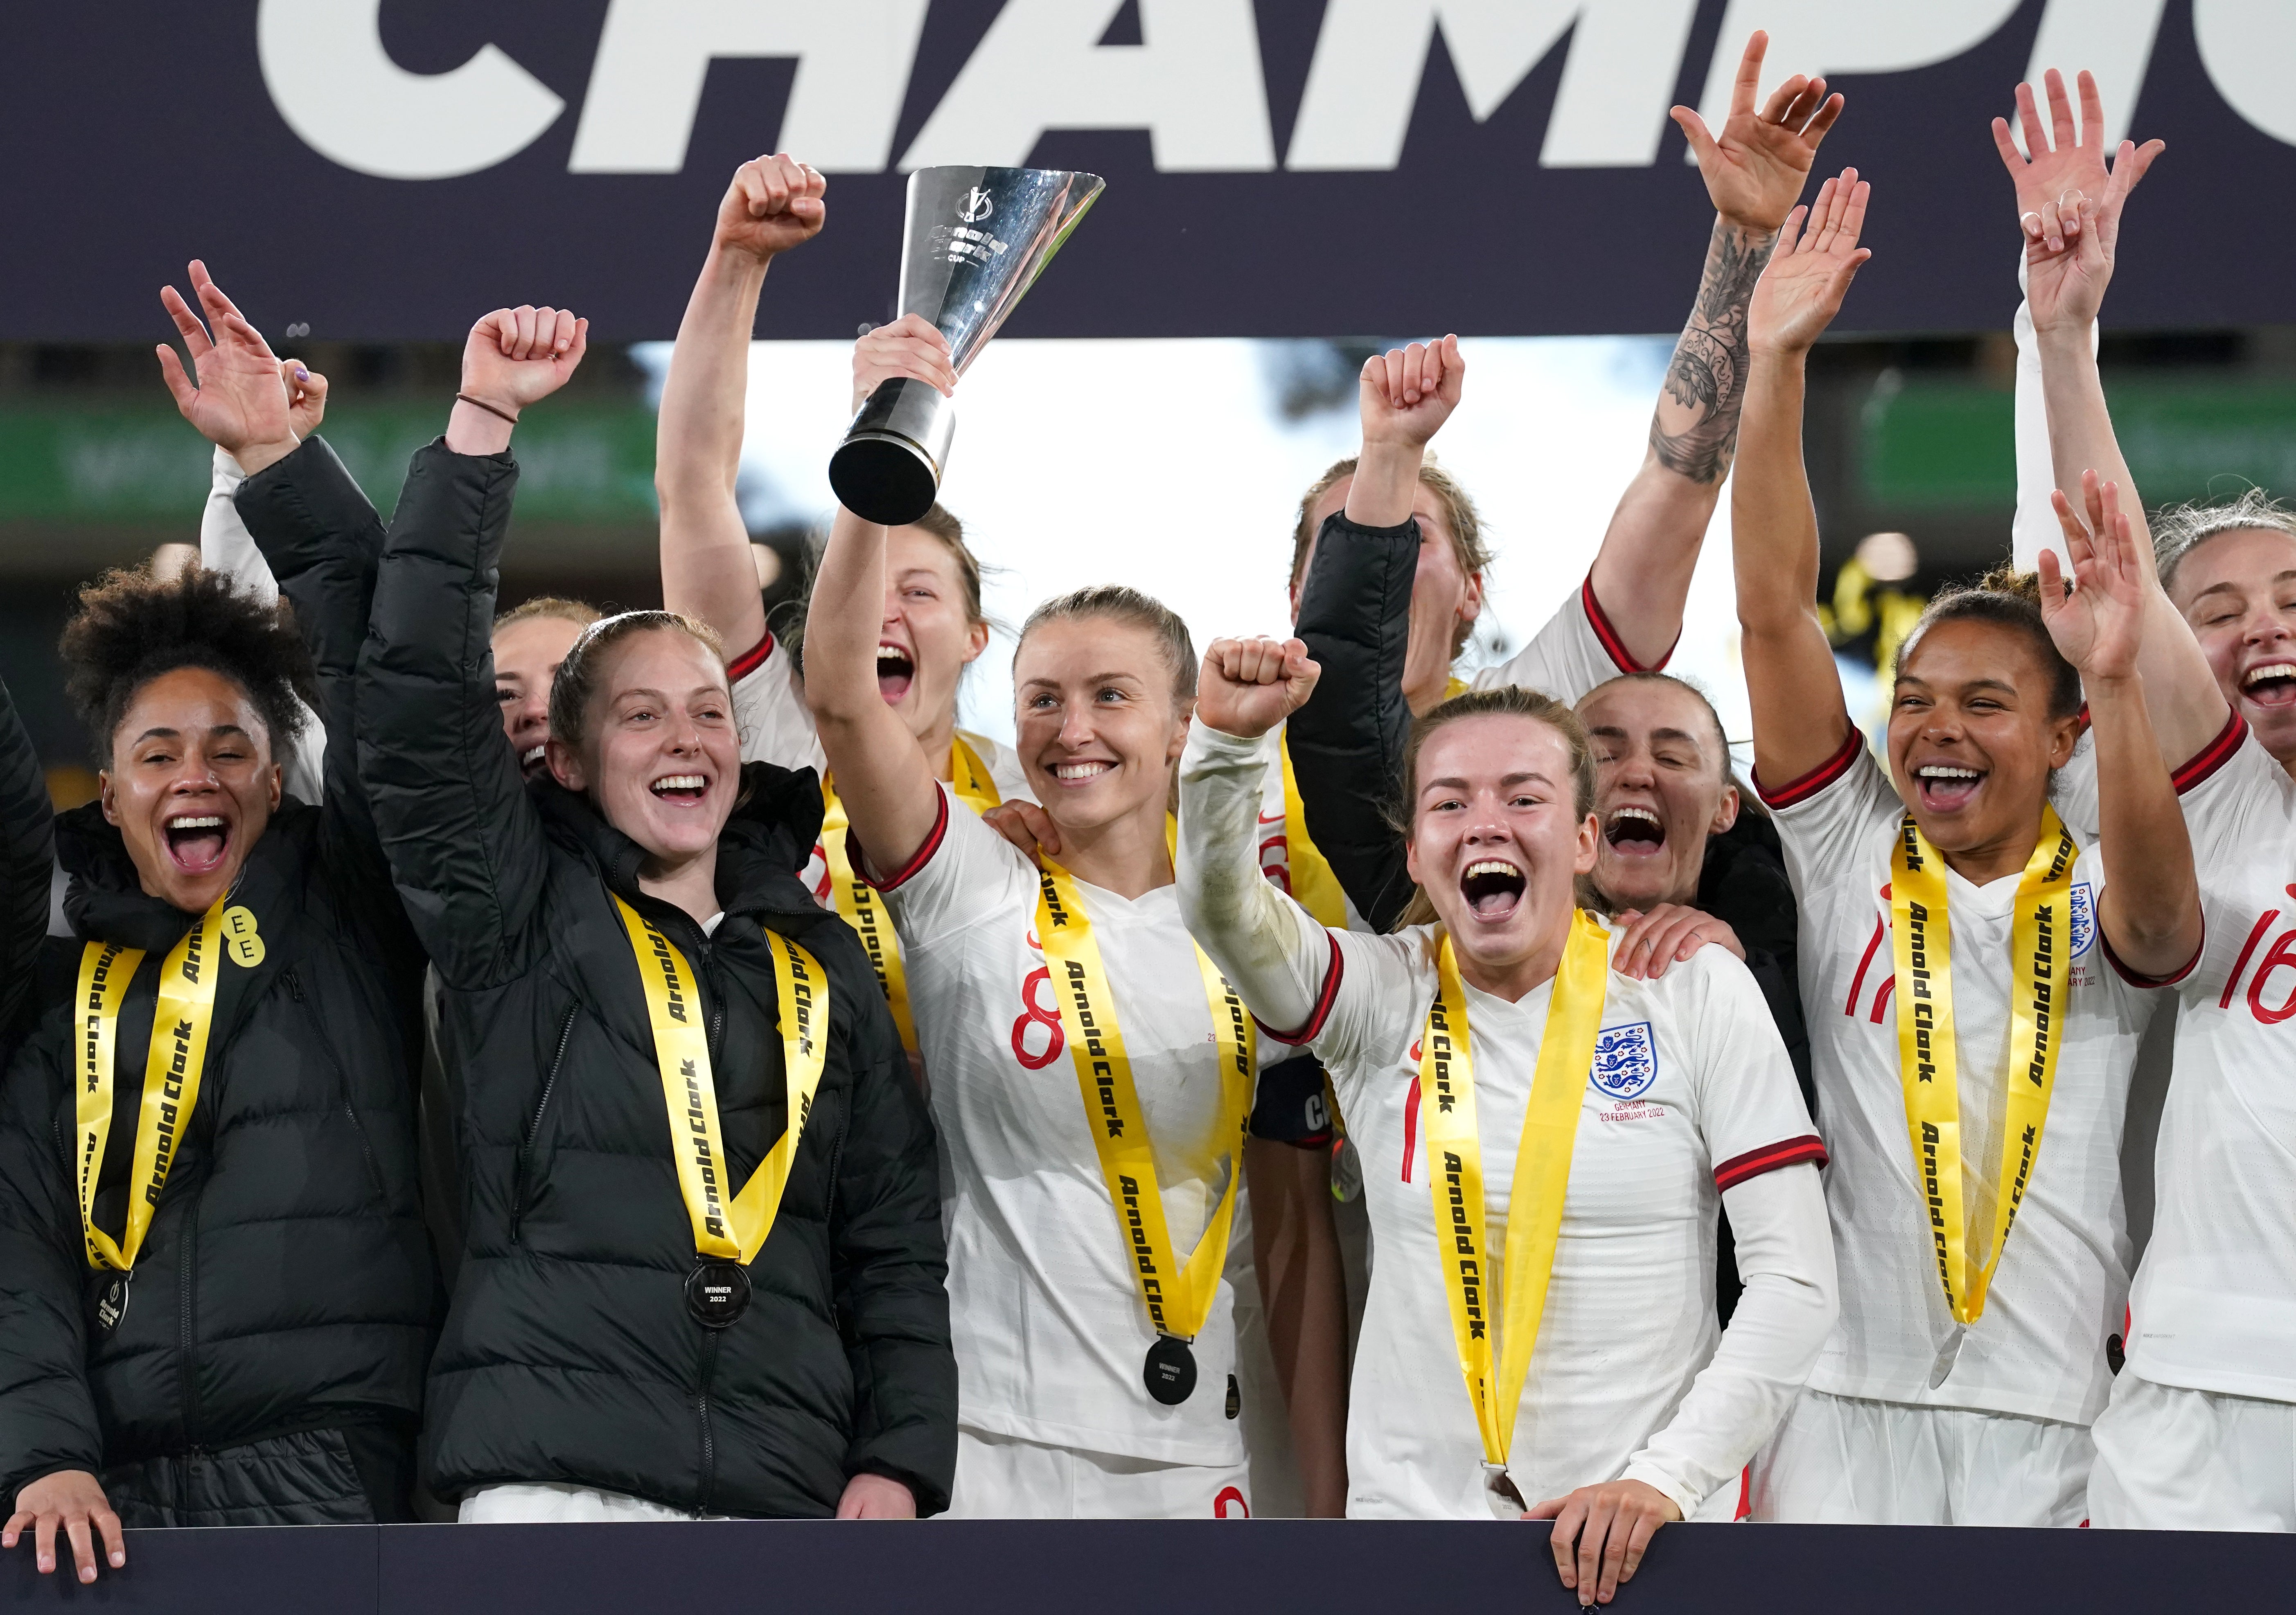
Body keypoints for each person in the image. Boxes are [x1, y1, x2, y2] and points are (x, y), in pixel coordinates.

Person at [355, 299, 954, 1521]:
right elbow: (417, 696)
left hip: (781, 1496)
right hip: (553, 1486)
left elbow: (888, 1238)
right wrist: (482, 422)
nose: (686, 737)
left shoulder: (817, 953)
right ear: (568, 762)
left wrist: (896, 1461)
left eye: (708, 712)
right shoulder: (516, 913)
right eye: (640, 714)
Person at [1730, 169, 2208, 1526]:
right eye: (1917, 698)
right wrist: (1777, 363)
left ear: (2061, 735)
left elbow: (2168, 942)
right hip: (1839, 1409)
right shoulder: (1843, 848)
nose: (1936, 726)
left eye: (1984, 702)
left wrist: (2117, 674)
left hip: (2055, 1418)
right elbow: (1773, 611)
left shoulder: (2112, 872)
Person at [1176, 645, 1832, 1586]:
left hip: (1646, 1544)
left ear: (1583, 840)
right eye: (1450, 803)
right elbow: (1224, 912)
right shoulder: (1379, 999)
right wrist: (1229, 750)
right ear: (1415, 851)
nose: (1487, 824)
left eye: (1524, 799)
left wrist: (1663, 1482)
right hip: (1415, 1541)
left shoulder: (1694, 991)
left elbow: (1797, 1283)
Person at [0, 263, 438, 1575]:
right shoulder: (59, 962)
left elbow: (384, 666)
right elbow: (18, 1228)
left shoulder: (350, 898)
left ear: (277, 771)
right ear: (111, 790)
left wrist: (274, 466)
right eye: (157, 753)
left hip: (332, 1474)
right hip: (104, 1497)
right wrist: (43, 1448)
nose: (194, 774)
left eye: (227, 748)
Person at [806, 473, 1275, 1516]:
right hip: (987, 1434)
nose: (1074, 730)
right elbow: (840, 697)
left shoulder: (1256, 936)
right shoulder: (972, 882)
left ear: (1180, 729)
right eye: (1043, 700)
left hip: (1193, 1447)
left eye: (1112, 695)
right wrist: (883, 463)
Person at [2003, 98, 2296, 1530]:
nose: (2261, 630)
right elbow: (2106, 553)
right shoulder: (2232, 801)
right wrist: (2063, 335)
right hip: (2203, 1396)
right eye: (2224, 611)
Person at [653, 153, 1032, 1073]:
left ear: (977, 636)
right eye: (867, 587)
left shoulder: (1036, 794)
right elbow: (694, 487)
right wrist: (736, 261)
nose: (885, 613)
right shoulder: (773, 733)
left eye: (921, 591)